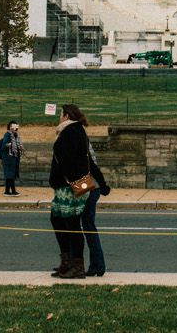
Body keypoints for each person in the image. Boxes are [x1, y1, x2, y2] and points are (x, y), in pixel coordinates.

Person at [48, 103, 92, 279]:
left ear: (66, 116)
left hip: (70, 185)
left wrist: (57, 178)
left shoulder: (70, 132)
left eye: (60, 114)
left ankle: (76, 265)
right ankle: (67, 261)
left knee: (71, 224)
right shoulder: (75, 130)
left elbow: (68, 160)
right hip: (74, 182)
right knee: (59, 220)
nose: (59, 117)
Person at [81, 138, 112, 276]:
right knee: (88, 226)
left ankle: (97, 265)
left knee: (87, 226)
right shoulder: (82, 137)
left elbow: (90, 166)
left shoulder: (78, 138)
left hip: (88, 186)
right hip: (91, 186)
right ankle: (96, 265)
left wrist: (103, 184)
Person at [0, 121, 23, 196]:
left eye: (15, 126)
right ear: (9, 127)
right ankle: (12, 191)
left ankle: (7, 191)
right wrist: (11, 144)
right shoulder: (7, 135)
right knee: (10, 174)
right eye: (12, 126)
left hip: (12, 158)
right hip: (8, 158)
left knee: (10, 175)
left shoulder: (15, 135)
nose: (14, 128)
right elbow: (4, 145)